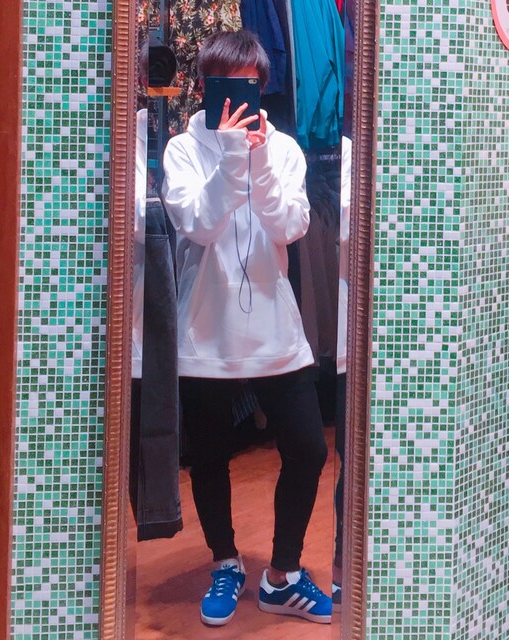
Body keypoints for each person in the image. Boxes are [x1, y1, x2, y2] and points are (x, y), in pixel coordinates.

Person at [161, 30, 331, 627]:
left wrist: (256, 160)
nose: (239, 99)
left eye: (250, 87)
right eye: (226, 87)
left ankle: (282, 575)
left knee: (308, 448)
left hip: (274, 323)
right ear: (204, 88)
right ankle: (225, 562)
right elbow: (200, 226)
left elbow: (289, 227)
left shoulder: (283, 148)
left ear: (262, 87)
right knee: (209, 456)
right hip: (205, 328)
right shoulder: (182, 150)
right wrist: (232, 157)